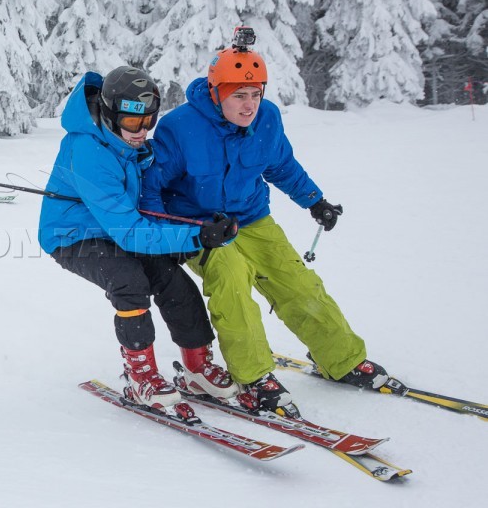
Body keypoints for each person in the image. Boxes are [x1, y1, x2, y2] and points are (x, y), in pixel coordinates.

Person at [141, 27, 390, 415]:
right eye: (239, 95)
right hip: (199, 227)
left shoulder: (267, 119)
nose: (249, 105)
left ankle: (341, 358)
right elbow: (151, 186)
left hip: (252, 218)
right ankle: (253, 376)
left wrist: (315, 201)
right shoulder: (180, 127)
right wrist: (167, 236)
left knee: (296, 281)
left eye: (255, 94)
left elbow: (281, 165)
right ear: (216, 92)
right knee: (232, 280)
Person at [38, 66, 240, 413]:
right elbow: (130, 233)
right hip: (73, 236)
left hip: (116, 229)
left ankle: (197, 367)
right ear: (109, 114)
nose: (143, 131)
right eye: (133, 122)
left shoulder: (123, 140)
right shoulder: (87, 150)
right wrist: (196, 237)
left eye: (149, 121)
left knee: (174, 281)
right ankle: (140, 375)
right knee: (128, 281)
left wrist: (193, 227)